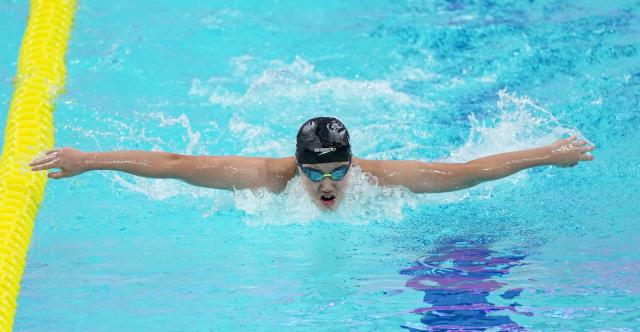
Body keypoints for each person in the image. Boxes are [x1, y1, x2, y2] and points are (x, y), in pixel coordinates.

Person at [29, 117, 595, 211]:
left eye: (337, 172)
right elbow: (177, 164)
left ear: (352, 164)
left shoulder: (380, 178)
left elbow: (469, 170)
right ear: (297, 167)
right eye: (315, 173)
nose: (327, 185)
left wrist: (546, 154)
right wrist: (91, 160)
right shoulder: (266, 179)